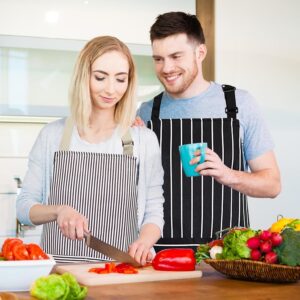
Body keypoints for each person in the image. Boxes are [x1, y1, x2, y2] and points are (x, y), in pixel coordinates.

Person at [137, 12, 281, 250]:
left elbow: (272, 185)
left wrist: (227, 174)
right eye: (159, 59)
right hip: (162, 254)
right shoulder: (148, 112)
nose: (166, 68)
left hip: (228, 255)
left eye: (175, 56)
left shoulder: (238, 104)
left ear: (200, 53)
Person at [16, 36, 164, 265]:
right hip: (60, 272)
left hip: (121, 270)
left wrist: (144, 242)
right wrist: (59, 211)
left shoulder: (143, 140)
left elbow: (154, 211)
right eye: (100, 77)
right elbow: (25, 208)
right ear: (83, 76)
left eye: (120, 79)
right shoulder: (52, 135)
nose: (110, 89)